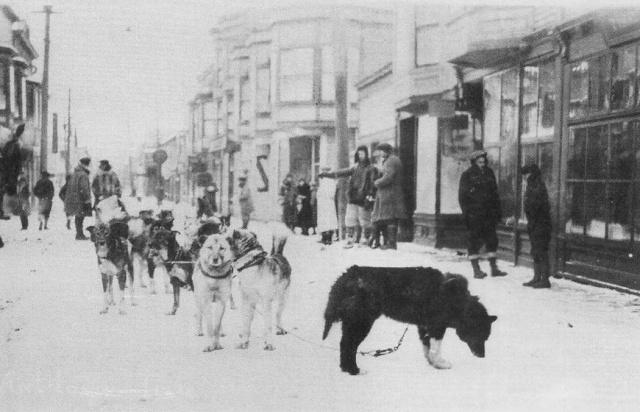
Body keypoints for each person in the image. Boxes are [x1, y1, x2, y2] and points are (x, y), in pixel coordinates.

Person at [458, 150, 507, 279]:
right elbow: (462, 197)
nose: (482, 162)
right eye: (479, 160)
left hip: (489, 215)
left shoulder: (489, 173)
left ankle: (494, 268)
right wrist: (467, 214)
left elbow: (495, 194)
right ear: (474, 161)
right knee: (473, 242)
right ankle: (476, 270)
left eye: (484, 160)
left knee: (492, 240)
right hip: (474, 215)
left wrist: (498, 212)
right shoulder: (467, 175)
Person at [319, 145, 376, 248]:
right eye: (359, 154)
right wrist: (327, 174)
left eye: (362, 153)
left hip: (363, 197)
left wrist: (370, 195)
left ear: (367, 154)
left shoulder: (371, 168)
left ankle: (366, 239)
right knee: (351, 220)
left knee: (364, 220)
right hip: (353, 197)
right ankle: (353, 239)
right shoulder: (355, 167)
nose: (360, 156)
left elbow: (372, 184)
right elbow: (340, 173)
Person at [370, 143, 407, 250]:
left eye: (381, 151)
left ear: (386, 151)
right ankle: (388, 243)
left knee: (390, 219)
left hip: (390, 194)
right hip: (393, 193)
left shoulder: (390, 160)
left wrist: (376, 182)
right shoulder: (394, 159)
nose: (380, 153)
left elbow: (388, 177)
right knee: (390, 218)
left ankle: (391, 244)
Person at [521, 164, 552, 288]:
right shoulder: (534, 184)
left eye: (525, 175)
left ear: (530, 174)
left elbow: (536, 206)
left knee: (540, 251)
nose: (524, 177)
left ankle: (545, 280)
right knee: (536, 251)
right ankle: (537, 277)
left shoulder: (536, 185)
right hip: (535, 223)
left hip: (540, 224)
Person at [65, 157, 93, 240]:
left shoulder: (75, 173)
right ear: (86, 165)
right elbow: (84, 188)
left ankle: (79, 233)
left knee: (78, 216)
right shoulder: (83, 175)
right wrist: (87, 199)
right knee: (80, 217)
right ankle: (79, 234)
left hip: (74, 198)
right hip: (81, 199)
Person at [317, 167, 338, 246]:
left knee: (329, 220)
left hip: (328, 203)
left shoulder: (331, 181)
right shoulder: (323, 181)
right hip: (322, 203)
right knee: (323, 221)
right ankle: (324, 236)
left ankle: (328, 237)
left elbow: (331, 193)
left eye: (325, 171)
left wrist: (325, 197)